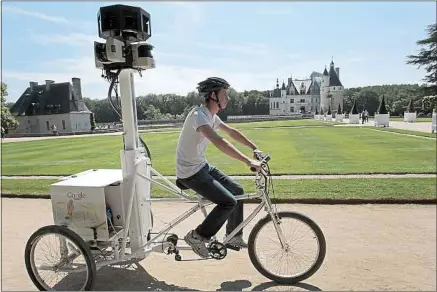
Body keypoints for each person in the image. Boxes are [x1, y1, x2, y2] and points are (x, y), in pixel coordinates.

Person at [175, 77, 262, 258]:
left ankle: (233, 236)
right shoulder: (199, 116)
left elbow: (231, 132)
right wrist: (248, 161)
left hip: (201, 166)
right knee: (228, 201)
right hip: (189, 172)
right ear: (213, 95)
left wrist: (254, 148)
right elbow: (218, 141)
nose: (227, 98)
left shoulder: (212, 116)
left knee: (237, 190)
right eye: (224, 94)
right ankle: (197, 236)